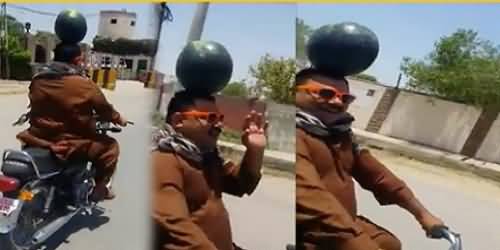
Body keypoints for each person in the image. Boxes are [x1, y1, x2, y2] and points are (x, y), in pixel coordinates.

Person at [295, 68, 445, 250]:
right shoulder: (296, 135)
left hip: (343, 225)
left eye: (345, 98)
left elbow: (379, 177)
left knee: (389, 244)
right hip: (312, 230)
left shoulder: (340, 135)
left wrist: (422, 214)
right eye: (325, 93)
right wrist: (357, 241)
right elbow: (311, 198)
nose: (337, 101)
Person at [152, 91, 267, 250]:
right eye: (210, 118)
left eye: (220, 119)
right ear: (179, 120)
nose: (219, 125)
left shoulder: (207, 157)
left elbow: (242, 184)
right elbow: (174, 228)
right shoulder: (164, 160)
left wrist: (255, 150)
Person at [16, 43, 127, 201]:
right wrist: (119, 119)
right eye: (81, 60)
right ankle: (100, 189)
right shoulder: (84, 84)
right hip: (69, 142)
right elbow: (105, 110)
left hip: (36, 137)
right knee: (110, 147)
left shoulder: (38, 79)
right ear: (77, 60)